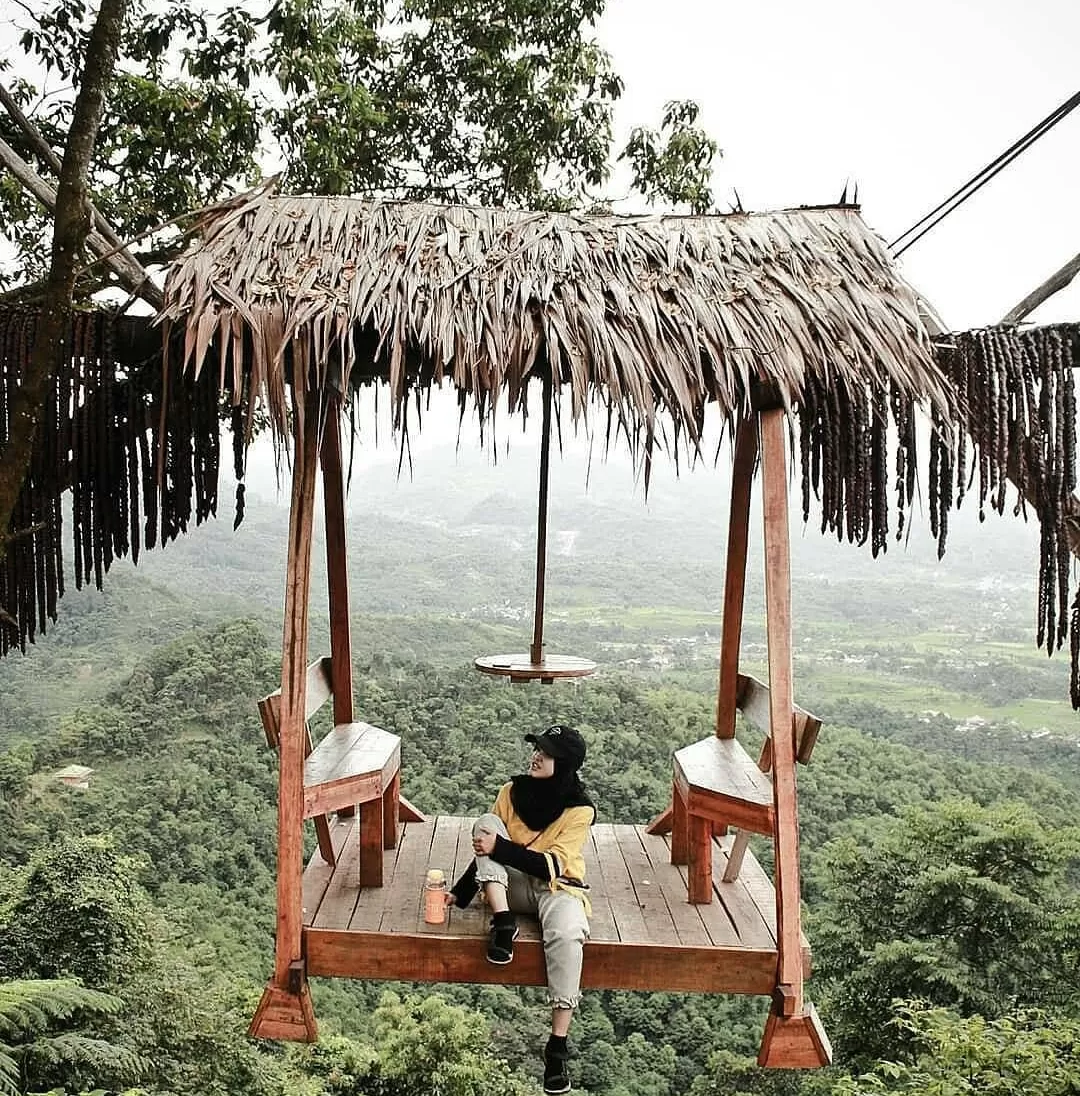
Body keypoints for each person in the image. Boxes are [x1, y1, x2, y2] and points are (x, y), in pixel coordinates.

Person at [447, 724, 595, 1095]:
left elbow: (551, 866)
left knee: (567, 934)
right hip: (509, 888)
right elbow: (488, 846)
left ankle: (557, 1047)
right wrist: (461, 893)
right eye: (536, 749)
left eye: (545, 754)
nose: (536, 756)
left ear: (563, 764)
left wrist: (497, 849)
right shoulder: (511, 792)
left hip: (556, 888)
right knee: (486, 823)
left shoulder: (580, 810)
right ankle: (502, 922)